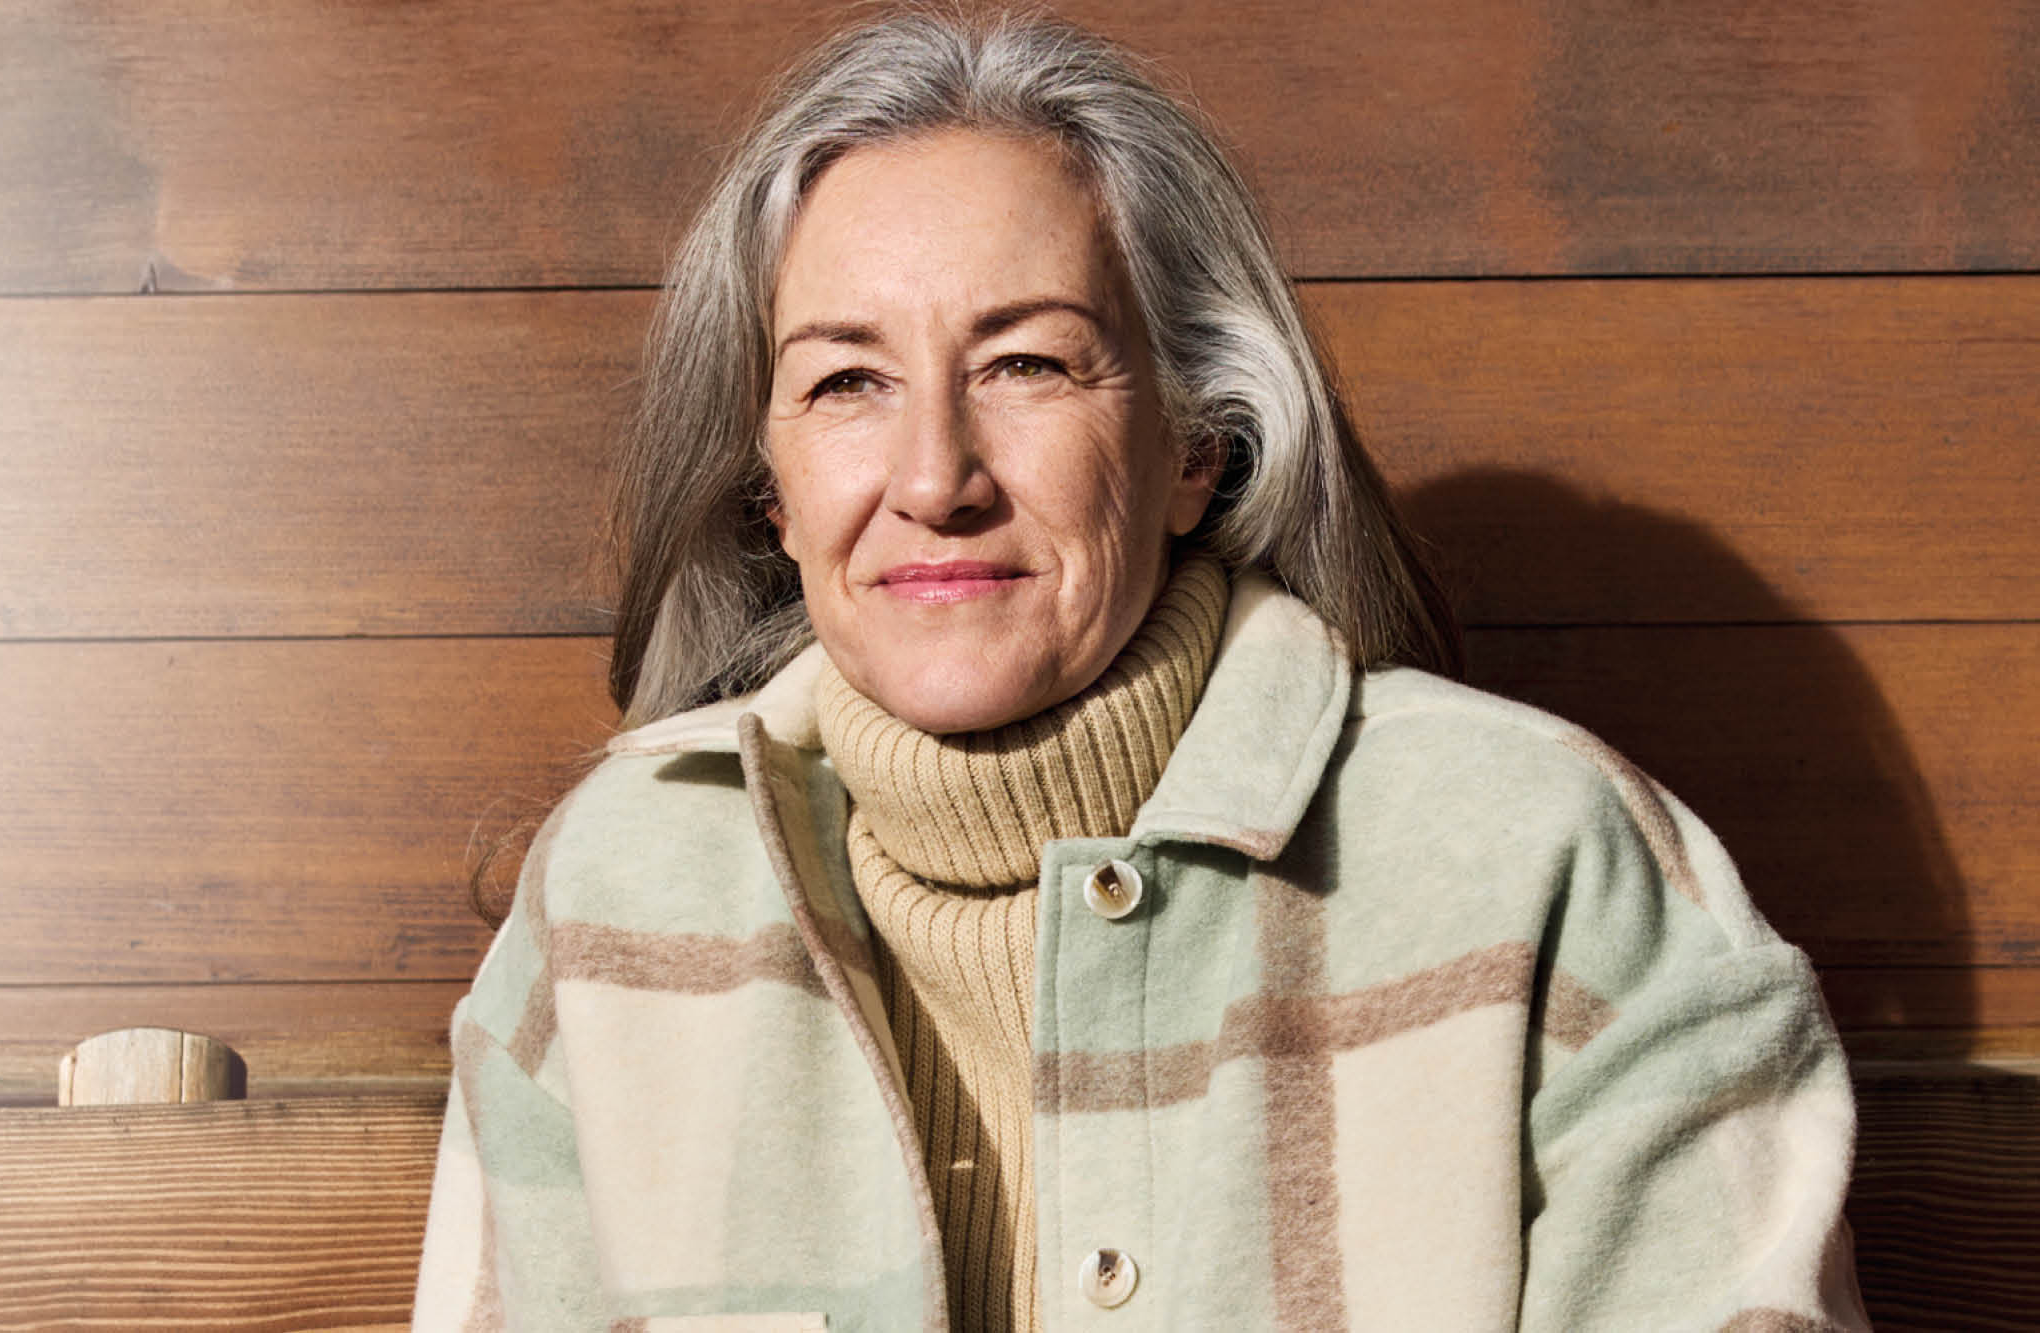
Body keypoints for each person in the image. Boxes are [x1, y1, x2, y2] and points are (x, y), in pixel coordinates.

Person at [409, 12, 1865, 1331]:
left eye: (1026, 364)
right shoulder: (611, 894)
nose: (932, 476)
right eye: (846, 380)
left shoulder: (1548, 861)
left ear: (1194, 445)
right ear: (767, 487)